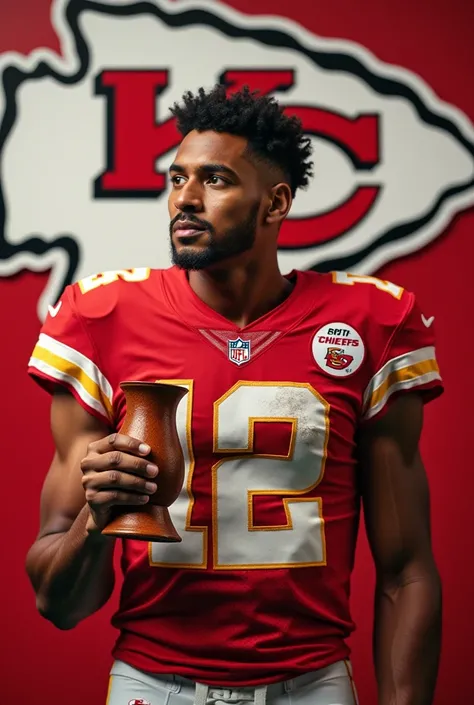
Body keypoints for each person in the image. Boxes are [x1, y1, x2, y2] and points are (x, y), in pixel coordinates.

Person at [26, 85, 443, 705]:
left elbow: (406, 570)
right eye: (176, 178)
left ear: (275, 203)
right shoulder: (102, 316)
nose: (184, 200)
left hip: (313, 683)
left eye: (215, 180)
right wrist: (98, 516)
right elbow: (58, 603)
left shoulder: (367, 324)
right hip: (152, 683)